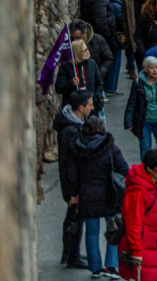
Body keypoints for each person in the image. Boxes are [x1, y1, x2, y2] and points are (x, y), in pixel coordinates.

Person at [68, 116, 129, 280]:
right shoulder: (110, 146)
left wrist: (74, 193)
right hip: (109, 193)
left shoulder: (77, 147)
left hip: (87, 194)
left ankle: (95, 268)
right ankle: (112, 265)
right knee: (113, 227)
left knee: (91, 232)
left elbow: (73, 174)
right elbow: (124, 168)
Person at [53, 89, 95, 269]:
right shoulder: (71, 130)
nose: (92, 108)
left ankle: (70, 254)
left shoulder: (73, 124)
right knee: (75, 218)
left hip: (74, 182)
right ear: (81, 107)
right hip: (73, 185)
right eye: (90, 105)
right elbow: (68, 164)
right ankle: (72, 256)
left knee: (74, 217)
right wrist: (73, 192)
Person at [118, 149, 157, 281]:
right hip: (143, 245)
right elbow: (133, 224)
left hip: (153, 243)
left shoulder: (156, 185)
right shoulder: (139, 191)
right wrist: (137, 252)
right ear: (151, 169)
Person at [124, 57, 157, 162]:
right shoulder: (138, 82)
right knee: (145, 147)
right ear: (145, 69)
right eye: (152, 68)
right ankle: (145, 172)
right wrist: (128, 122)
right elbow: (132, 103)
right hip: (144, 122)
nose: (155, 70)